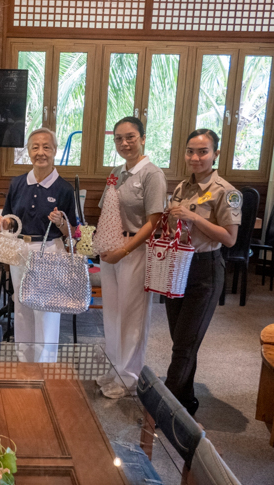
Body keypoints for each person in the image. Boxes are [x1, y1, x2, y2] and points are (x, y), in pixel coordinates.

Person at [164, 129, 241, 415]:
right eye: (190, 152)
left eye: (203, 151)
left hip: (205, 271)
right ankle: (186, 400)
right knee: (182, 339)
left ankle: (163, 409)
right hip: (178, 266)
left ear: (215, 154)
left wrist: (194, 217)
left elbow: (230, 238)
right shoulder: (182, 188)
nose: (195, 157)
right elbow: (176, 228)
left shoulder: (227, 192)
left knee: (184, 345)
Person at [96, 117, 167, 399]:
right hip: (111, 247)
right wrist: (102, 245)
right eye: (118, 139)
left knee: (132, 315)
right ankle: (115, 368)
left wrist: (123, 250)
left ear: (143, 138)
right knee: (113, 313)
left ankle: (129, 378)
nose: (124, 143)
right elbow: (106, 212)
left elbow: (154, 222)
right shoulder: (117, 172)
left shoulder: (151, 174)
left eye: (130, 137)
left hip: (135, 249)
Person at [0, 128, 76, 362]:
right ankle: (24, 363)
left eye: (46, 147)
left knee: (47, 311)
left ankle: (45, 367)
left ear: (55, 151)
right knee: (21, 307)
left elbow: (72, 233)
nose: (41, 152)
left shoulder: (64, 189)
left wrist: (62, 223)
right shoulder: (18, 183)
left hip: (50, 250)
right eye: (35, 147)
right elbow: (10, 219)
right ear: (28, 151)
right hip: (20, 250)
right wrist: (5, 221)